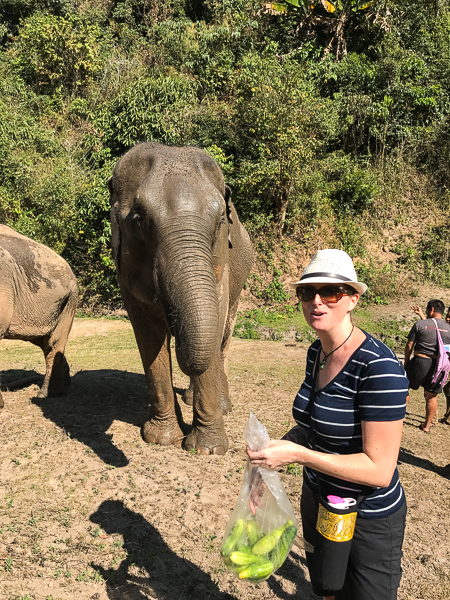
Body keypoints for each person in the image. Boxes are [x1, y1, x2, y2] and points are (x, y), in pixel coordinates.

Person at [247, 249, 408, 600]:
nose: (317, 301)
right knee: (326, 589)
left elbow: (380, 470)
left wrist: (299, 456)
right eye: (307, 292)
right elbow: (311, 425)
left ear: (352, 299)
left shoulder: (379, 368)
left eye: (330, 292)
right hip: (319, 499)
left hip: (368, 516)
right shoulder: (316, 353)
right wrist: (268, 458)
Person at [404, 300, 450, 433]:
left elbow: (409, 345)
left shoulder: (420, 324)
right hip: (439, 367)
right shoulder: (449, 329)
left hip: (420, 362)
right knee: (432, 396)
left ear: (431, 310)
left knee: (404, 387)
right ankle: (427, 425)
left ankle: (400, 417)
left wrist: (407, 360)